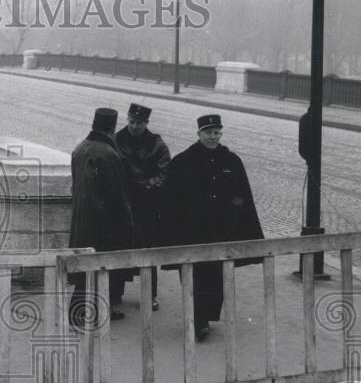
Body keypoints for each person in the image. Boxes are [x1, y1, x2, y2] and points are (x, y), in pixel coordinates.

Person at [163, 114, 263, 341]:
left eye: (216, 133)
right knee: (192, 276)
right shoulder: (183, 161)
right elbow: (170, 200)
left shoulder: (232, 161)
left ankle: (207, 316)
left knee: (217, 277)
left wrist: (236, 211)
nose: (213, 137)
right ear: (199, 134)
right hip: (192, 234)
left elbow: (242, 195)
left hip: (220, 232)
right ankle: (198, 320)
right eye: (208, 132)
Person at [68, 107, 136, 327]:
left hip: (82, 217)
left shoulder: (80, 149)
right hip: (104, 221)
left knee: (86, 268)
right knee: (101, 267)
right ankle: (83, 313)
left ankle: (85, 311)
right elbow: (118, 192)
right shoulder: (109, 154)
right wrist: (128, 222)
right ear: (112, 128)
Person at [114, 102, 171, 311]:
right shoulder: (118, 139)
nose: (134, 126)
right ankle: (115, 293)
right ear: (127, 119)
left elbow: (164, 172)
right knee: (119, 247)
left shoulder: (156, 144)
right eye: (131, 121)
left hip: (147, 204)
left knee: (147, 250)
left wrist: (147, 186)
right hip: (124, 203)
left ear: (146, 123)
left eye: (139, 123)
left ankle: (150, 295)